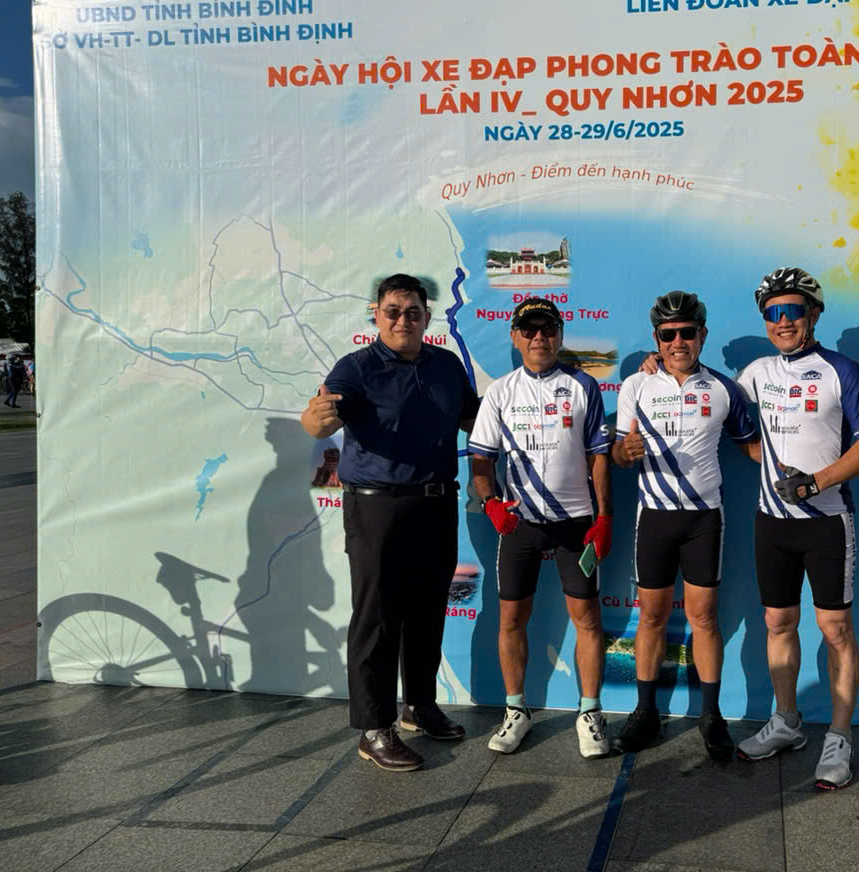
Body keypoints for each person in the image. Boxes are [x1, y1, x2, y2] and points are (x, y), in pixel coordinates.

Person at [301, 274, 479, 772]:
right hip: (377, 509)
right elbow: (317, 423)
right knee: (377, 618)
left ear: (427, 317)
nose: (404, 320)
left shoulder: (445, 365)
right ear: (377, 315)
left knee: (427, 612)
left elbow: (474, 419)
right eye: (393, 311)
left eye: (413, 312)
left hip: (436, 503)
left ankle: (419, 706)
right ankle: (374, 729)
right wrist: (317, 418)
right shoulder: (356, 367)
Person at [734, 267, 859, 791]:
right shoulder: (756, 372)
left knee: (835, 629)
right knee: (778, 622)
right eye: (772, 313)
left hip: (826, 522)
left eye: (792, 311)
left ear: (813, 314)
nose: (782, 321)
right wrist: (655, 364)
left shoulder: (843, 370)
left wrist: (816, 482)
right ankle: (787, 723)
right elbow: (719, 409)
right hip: (771, 522)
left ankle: (840, 736)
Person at [611, 290, 758, 760]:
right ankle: (645, 711)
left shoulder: (724, 389)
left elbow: (754, 448)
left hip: (703, 519)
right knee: (651, 617)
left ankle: (711, 716)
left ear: (702, 335)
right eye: (668, 334)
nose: (678, 342)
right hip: (653, 517)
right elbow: (619, 453)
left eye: (687, 333)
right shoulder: (636, 385)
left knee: (704, 617)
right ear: (657, 339)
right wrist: (624, 453)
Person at [468, 297, 614, 758]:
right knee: (512, 618)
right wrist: (491, 503)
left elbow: (599, 457)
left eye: (547, 329)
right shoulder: (500, 392)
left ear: (560, 335)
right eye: (528, 329)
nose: (539, 337)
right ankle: (516, 710)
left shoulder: (583, 386)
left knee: (587, 618)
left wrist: (604, 516)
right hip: (521, 524)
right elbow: (480, 460)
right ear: (515, 337)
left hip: (575, 522)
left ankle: (589, 712)